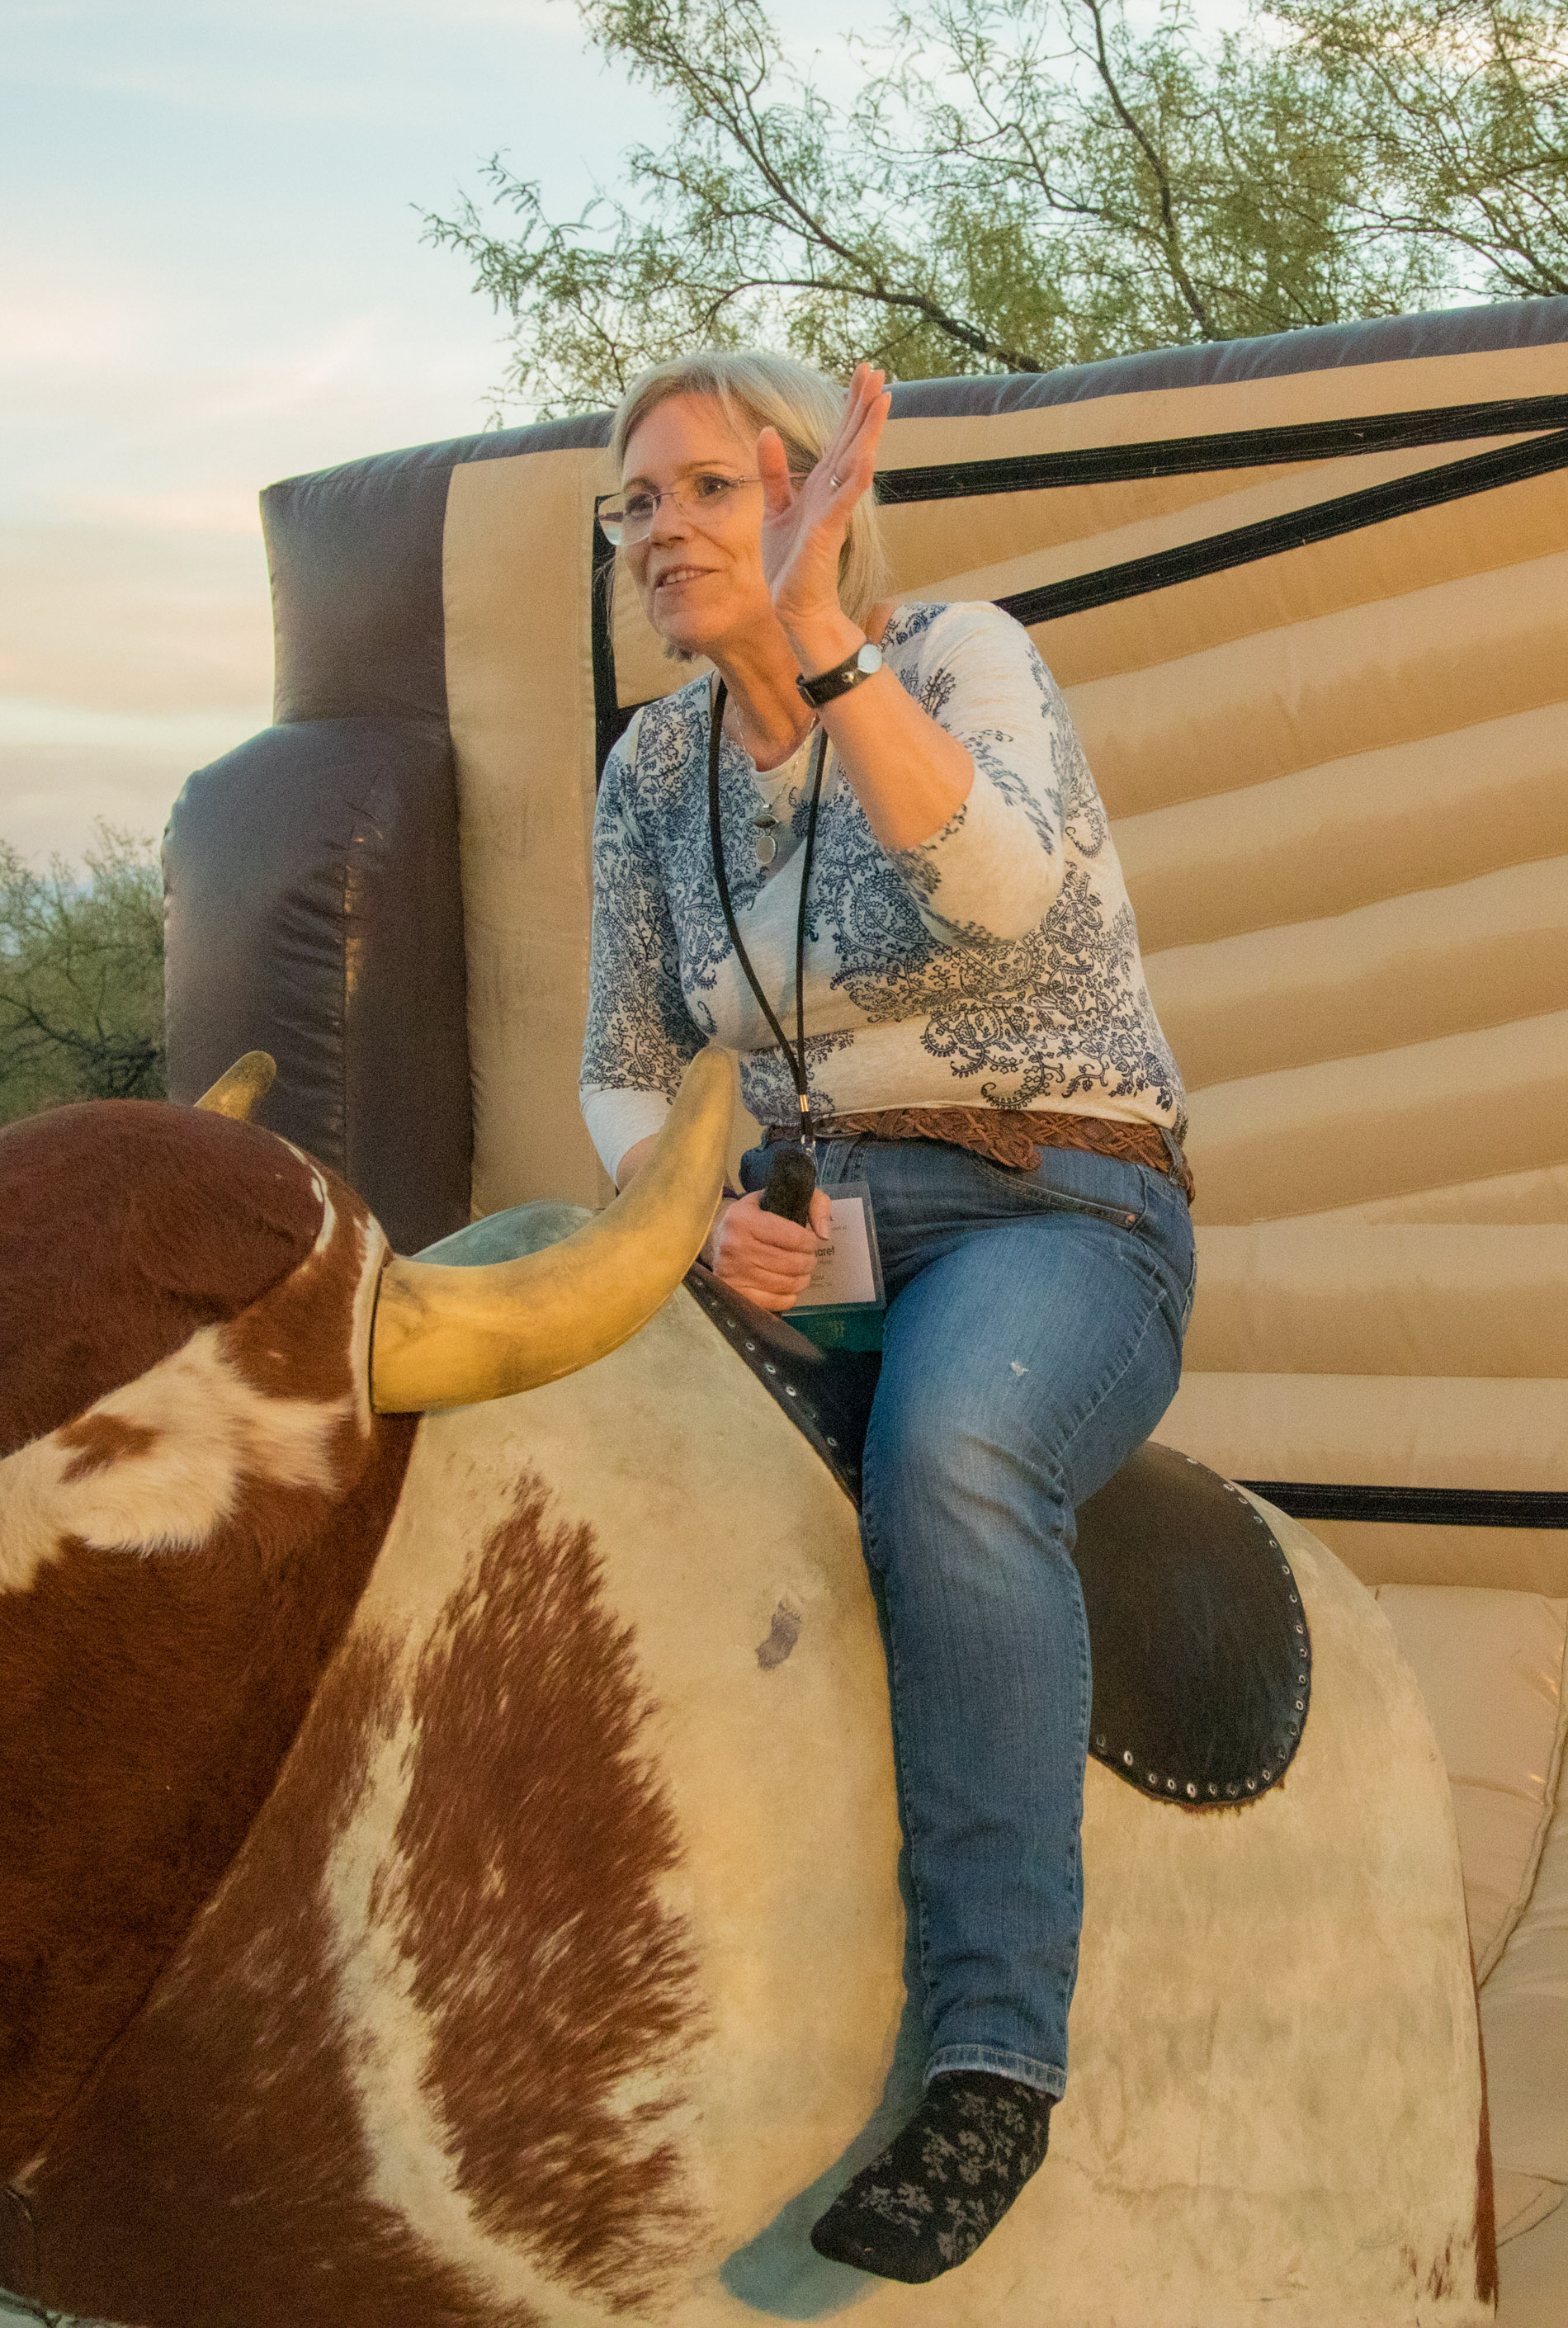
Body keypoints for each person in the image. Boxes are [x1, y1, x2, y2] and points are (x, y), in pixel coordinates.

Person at [581, 352, 1195, 2283]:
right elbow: (618, 1067)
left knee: (950, 1447)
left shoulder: (958, 657)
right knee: (583, 1427)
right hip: (801, 1224)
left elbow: (1008, 895)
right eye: (634, 507)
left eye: (698, 487)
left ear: (801, 488)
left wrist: (830, 641)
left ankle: (992, 2056)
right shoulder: (645, 772)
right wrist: (685, 1222)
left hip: (1059, 1194)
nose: (660, 532)